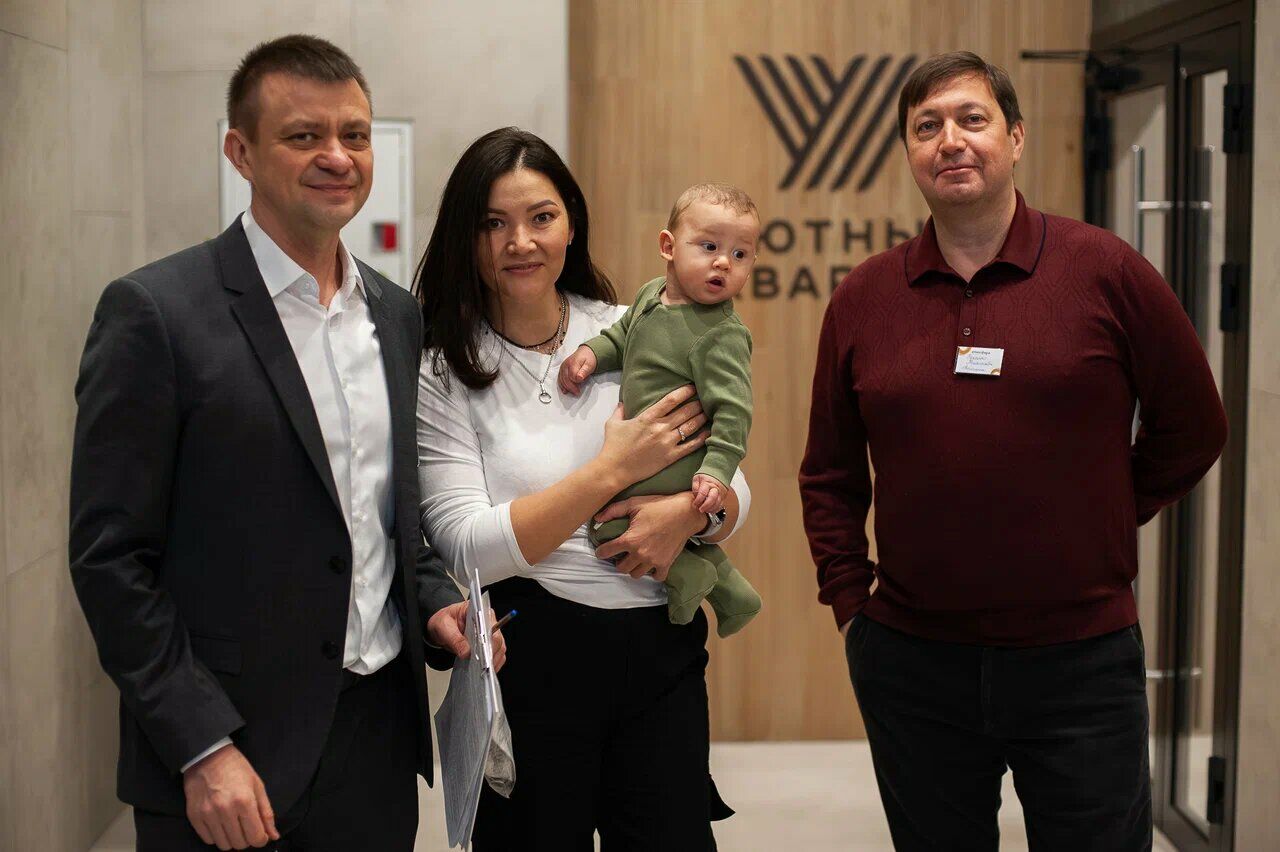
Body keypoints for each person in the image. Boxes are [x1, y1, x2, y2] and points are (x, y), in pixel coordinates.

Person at [68, 35, 502, 852]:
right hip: (229, 757)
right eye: (305, 135)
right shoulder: (155, 313)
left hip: (375, 744)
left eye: (355, 135)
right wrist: (200, 744)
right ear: (241, 152)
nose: (337, 156)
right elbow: (110, 560)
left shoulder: (396, 315)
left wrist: (436, 602)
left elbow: (388, 520)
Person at [798, 51, 1227, 851]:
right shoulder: (863, 298)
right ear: (908, 151)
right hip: (914, 662)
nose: (950, 141)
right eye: (926, 126)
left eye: (972, 119)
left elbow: (1195, 426)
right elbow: (828, 471)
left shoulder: (1106, 270)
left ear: (1016, 137)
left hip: (1081, 661)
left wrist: (1102, 510)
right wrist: (853, 607)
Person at [414, 127, 750, 850]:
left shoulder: (634, 325)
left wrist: (685, 520)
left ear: (571, 223)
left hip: (659, 656)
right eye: (493, 223)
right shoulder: (445, 367)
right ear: (466, 237)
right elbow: (467, 546)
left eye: (541, 217)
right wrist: (610, 472)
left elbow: (734, 490)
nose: (520, 242)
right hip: (530, 662)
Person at [558, 182, 762, 636]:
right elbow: (622, 336)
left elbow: (734, 412)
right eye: (709, 247)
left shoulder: (721, 332)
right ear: (668, 246)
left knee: (607, 525)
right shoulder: (652, 295)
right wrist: (592, 354)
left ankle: (688, 578)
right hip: (648, 451)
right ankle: (734, 596)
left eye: (740, 254)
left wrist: (717, 472)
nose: (724, 263)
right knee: (668, 530)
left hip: (678, 458)